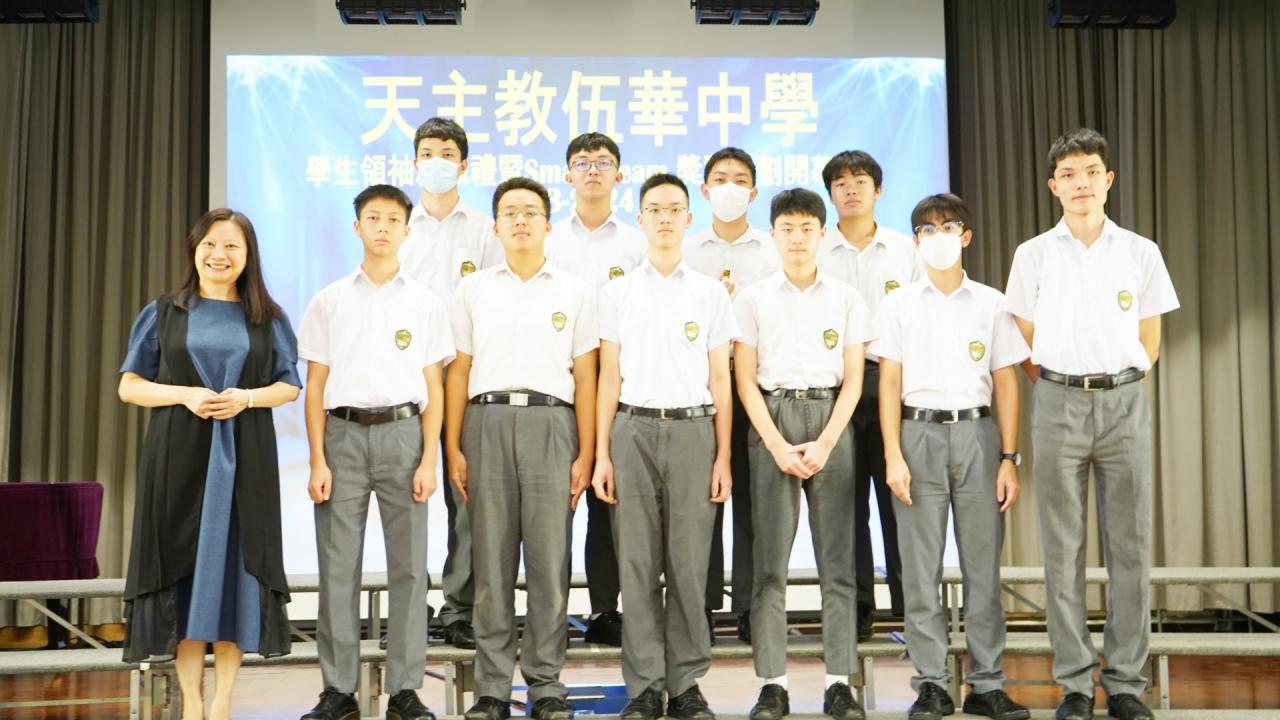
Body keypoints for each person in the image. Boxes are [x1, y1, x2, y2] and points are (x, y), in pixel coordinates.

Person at [1005, 129, 1178, 720]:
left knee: (1131, 545)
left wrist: (1118, 380)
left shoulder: (1140, 251)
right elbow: (1025, 335)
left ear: (1108, 180)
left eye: (1090, 172)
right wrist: (1060, 382)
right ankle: (1075, 684)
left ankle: (1126, 683)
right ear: (1053, 186)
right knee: (1062, 548)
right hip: (1057, 402)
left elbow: (1150, 338)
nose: (1080, 183)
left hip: (1124, 402)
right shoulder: (1033, 254)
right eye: (1068, 174)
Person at [118, 208, 301, 720]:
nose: (219, 255)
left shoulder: (268, 318)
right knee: (182, 574)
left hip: (246, 459)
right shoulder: (164, 312)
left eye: (231, 246)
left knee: (236, 576)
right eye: (209, 245)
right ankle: (192, 704)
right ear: (194, 250)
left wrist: (246, 398)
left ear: (248, 256)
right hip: (177, 458)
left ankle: (222, 702)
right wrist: (185, 394)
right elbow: (129, 386)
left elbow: (289, 385)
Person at [297, 184, 453, 720]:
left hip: (404, 435)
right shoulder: (329, 300)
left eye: (392, 220)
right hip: (341, 436)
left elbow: (434, 388)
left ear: (407, 231)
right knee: (338, 566)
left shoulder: (426, 303)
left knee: (409, 569)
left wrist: (429, 458)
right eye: (373, 218)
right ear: (357, 226)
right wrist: (317, 458)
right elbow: (316, 386)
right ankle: (338, 689)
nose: (382, 227)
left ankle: (405, 689)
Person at [875, 194, 1031, 720]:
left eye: (948, 228)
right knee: (920, 572)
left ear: (966, 237)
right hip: (917, 434)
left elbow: (1006, 382)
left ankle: (986, 684)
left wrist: (1009, 456)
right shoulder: (898, 304)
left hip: (978, 435)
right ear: (915, 241)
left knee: (982, 568)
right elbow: (888, 382)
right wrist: (892, 454)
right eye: (926, 229)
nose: (937, 237)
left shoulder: (991, 303)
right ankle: (931, 683)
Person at [447, 177, 598, 720]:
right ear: (495, 226)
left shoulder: (575, 291)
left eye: (531, 212)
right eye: (510, 212)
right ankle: (491, 689)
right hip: (484, 423)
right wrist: (453, 446)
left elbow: (586, 376)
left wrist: (586, 453)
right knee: (490, 564)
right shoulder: (472, 289)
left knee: (549, 563)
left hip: (553, 424)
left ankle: (546, 683)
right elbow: (458, 371)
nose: (520, 220)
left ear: (548, 224)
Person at [592, 173, 736, 720]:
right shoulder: (617, 292)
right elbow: (608, 377)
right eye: (655, 209)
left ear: (689, 218)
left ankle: (687, 683)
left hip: (694, 431)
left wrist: (723, 456)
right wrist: (602, 454)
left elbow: (720, 378)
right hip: (632, 430)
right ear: (641, 218)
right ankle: (645, 686)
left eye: (675, 208)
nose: (665, 217)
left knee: (689, 565)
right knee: (636, 564)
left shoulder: (710, 292)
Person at [733, 188, 869, 720]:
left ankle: (839, 683)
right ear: (772, 234)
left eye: (806, 228)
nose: (796, 237)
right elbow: (745, 380)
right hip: (773, 419)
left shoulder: (846, 298)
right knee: (769, 565)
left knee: (838, 563)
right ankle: (773, 684)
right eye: (787, 228)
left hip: (831, 419)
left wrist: (828, 440)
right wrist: (775, 443)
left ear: (822, 233)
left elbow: (854, 380)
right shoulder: (752, 298)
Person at [400, 116, 503, 649]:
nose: (436, 161)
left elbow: (497, 301)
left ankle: (459, 607)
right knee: (407, 492)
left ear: (463, 166)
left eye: (447, 153)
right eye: (428, 153)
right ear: (415, 163)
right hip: (407, 380)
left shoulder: (486, 229)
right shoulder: (399, 226)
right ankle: (410, 605)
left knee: (466, 495)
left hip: (467, 377)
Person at [546, 131, 645, 646]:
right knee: (552, 504)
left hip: (616, 386)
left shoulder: (636, 243)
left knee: (609, 502)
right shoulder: (547, 238)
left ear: (619, 175)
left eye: (603, 162)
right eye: (582, 162)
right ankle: (549, 613)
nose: (592, 170)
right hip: (555, 386)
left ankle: (606, 609)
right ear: (567, 175)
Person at [683, 147, 781, 643]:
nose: (729, 187)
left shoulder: (772, 249)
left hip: (757, 388)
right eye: (719, 178)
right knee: (702, 500)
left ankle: (748, 606)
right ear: (704, 190)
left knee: (754, 502)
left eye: (739, 180)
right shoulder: (685, 249)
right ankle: (699, 604)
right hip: (699, 388)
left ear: (754, 191)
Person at [817, 150, 916, 639]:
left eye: (860, 180)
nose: (851, 189)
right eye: (840, 182)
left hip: (892, 382)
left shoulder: (906, 250)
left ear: (879, 190)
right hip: (834, 389)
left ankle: (911, 608)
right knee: (844, 506)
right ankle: (856, 611)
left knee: (900, 499)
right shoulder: (814, 249)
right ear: (830, 194)